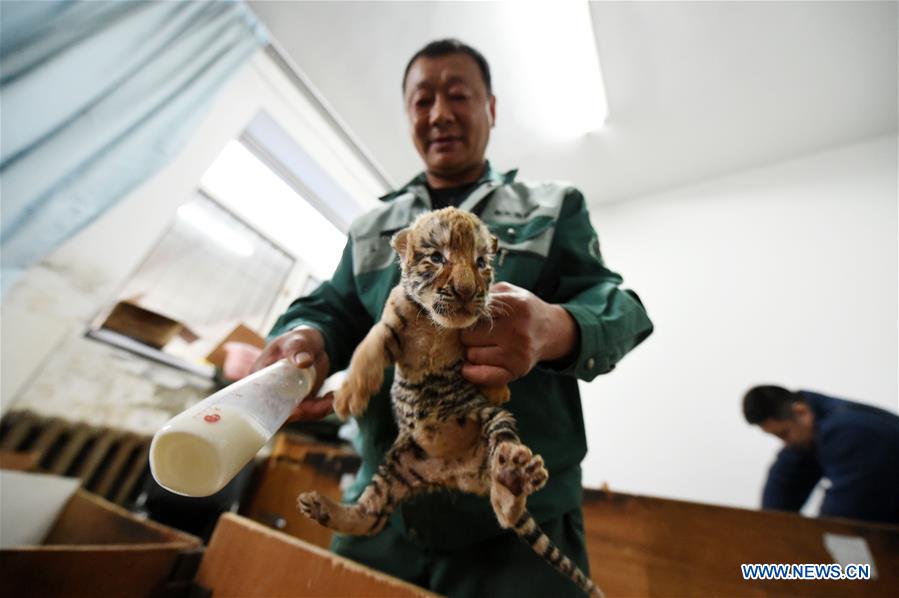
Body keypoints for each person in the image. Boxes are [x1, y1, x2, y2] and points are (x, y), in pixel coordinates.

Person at [255, 39, 653, 596]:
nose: (439, 113)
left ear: (491, 108)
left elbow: (621, 310)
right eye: (422, 101)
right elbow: (334, 308)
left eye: (458, 95)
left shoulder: (552, 207)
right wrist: (302, 340)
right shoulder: (374, 227)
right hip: (387, 506)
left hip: (519, 523)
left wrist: (552, 328)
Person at [743, 385, 899, 525]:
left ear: (801, 412)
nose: (786, 444)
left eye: (785, 433)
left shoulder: (852, 434)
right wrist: (768, 528)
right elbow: (785, 481)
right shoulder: (813, 433)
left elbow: (843, 520)